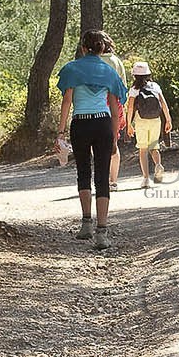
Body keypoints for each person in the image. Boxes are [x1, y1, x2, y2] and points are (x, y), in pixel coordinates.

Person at [57, 30, 129, 251]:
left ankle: (86, 223)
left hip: (80, 123)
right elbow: (116, 110)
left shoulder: (71, 69)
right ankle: (102, 232)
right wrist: (115, 137)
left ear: (83, 47)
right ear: (101, 49)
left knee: (83, 173)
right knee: (102, 176)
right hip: (103, 124)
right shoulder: (109, 72)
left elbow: (67, 101)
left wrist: (60, 132)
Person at [127, 61, 173, 189]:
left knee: (143, 150)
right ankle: (158, 164)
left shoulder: (134, 89)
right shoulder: (155, 86)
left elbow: (130, 108)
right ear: (148, 74)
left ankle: (146, 178)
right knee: (154, 146)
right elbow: (163, 104)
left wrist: (129, 125)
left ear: (134, 75)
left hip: (141, 121)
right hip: (155, 120)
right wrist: (168, 120)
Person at [98, 36, 130, 190]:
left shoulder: (95, 61)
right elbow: (123, 85)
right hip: (116, 104)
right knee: (113, 142)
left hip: (98, 104)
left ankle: (103, 178)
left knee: (97, 144)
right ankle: (114, 180)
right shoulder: (117, 61)